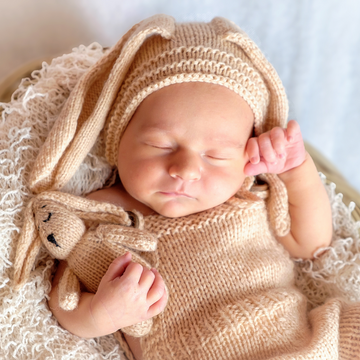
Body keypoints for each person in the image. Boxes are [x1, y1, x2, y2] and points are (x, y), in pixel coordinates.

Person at [29, 14, 357, 360]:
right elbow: (64, 303)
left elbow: (314, 244)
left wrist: (296, 171)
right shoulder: (104, 215)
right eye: (160, 145)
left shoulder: (248, 194)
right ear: (118, 136)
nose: (185, 170)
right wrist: (102, 314)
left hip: (315, 345)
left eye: (215, 156)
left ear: (246, 155)